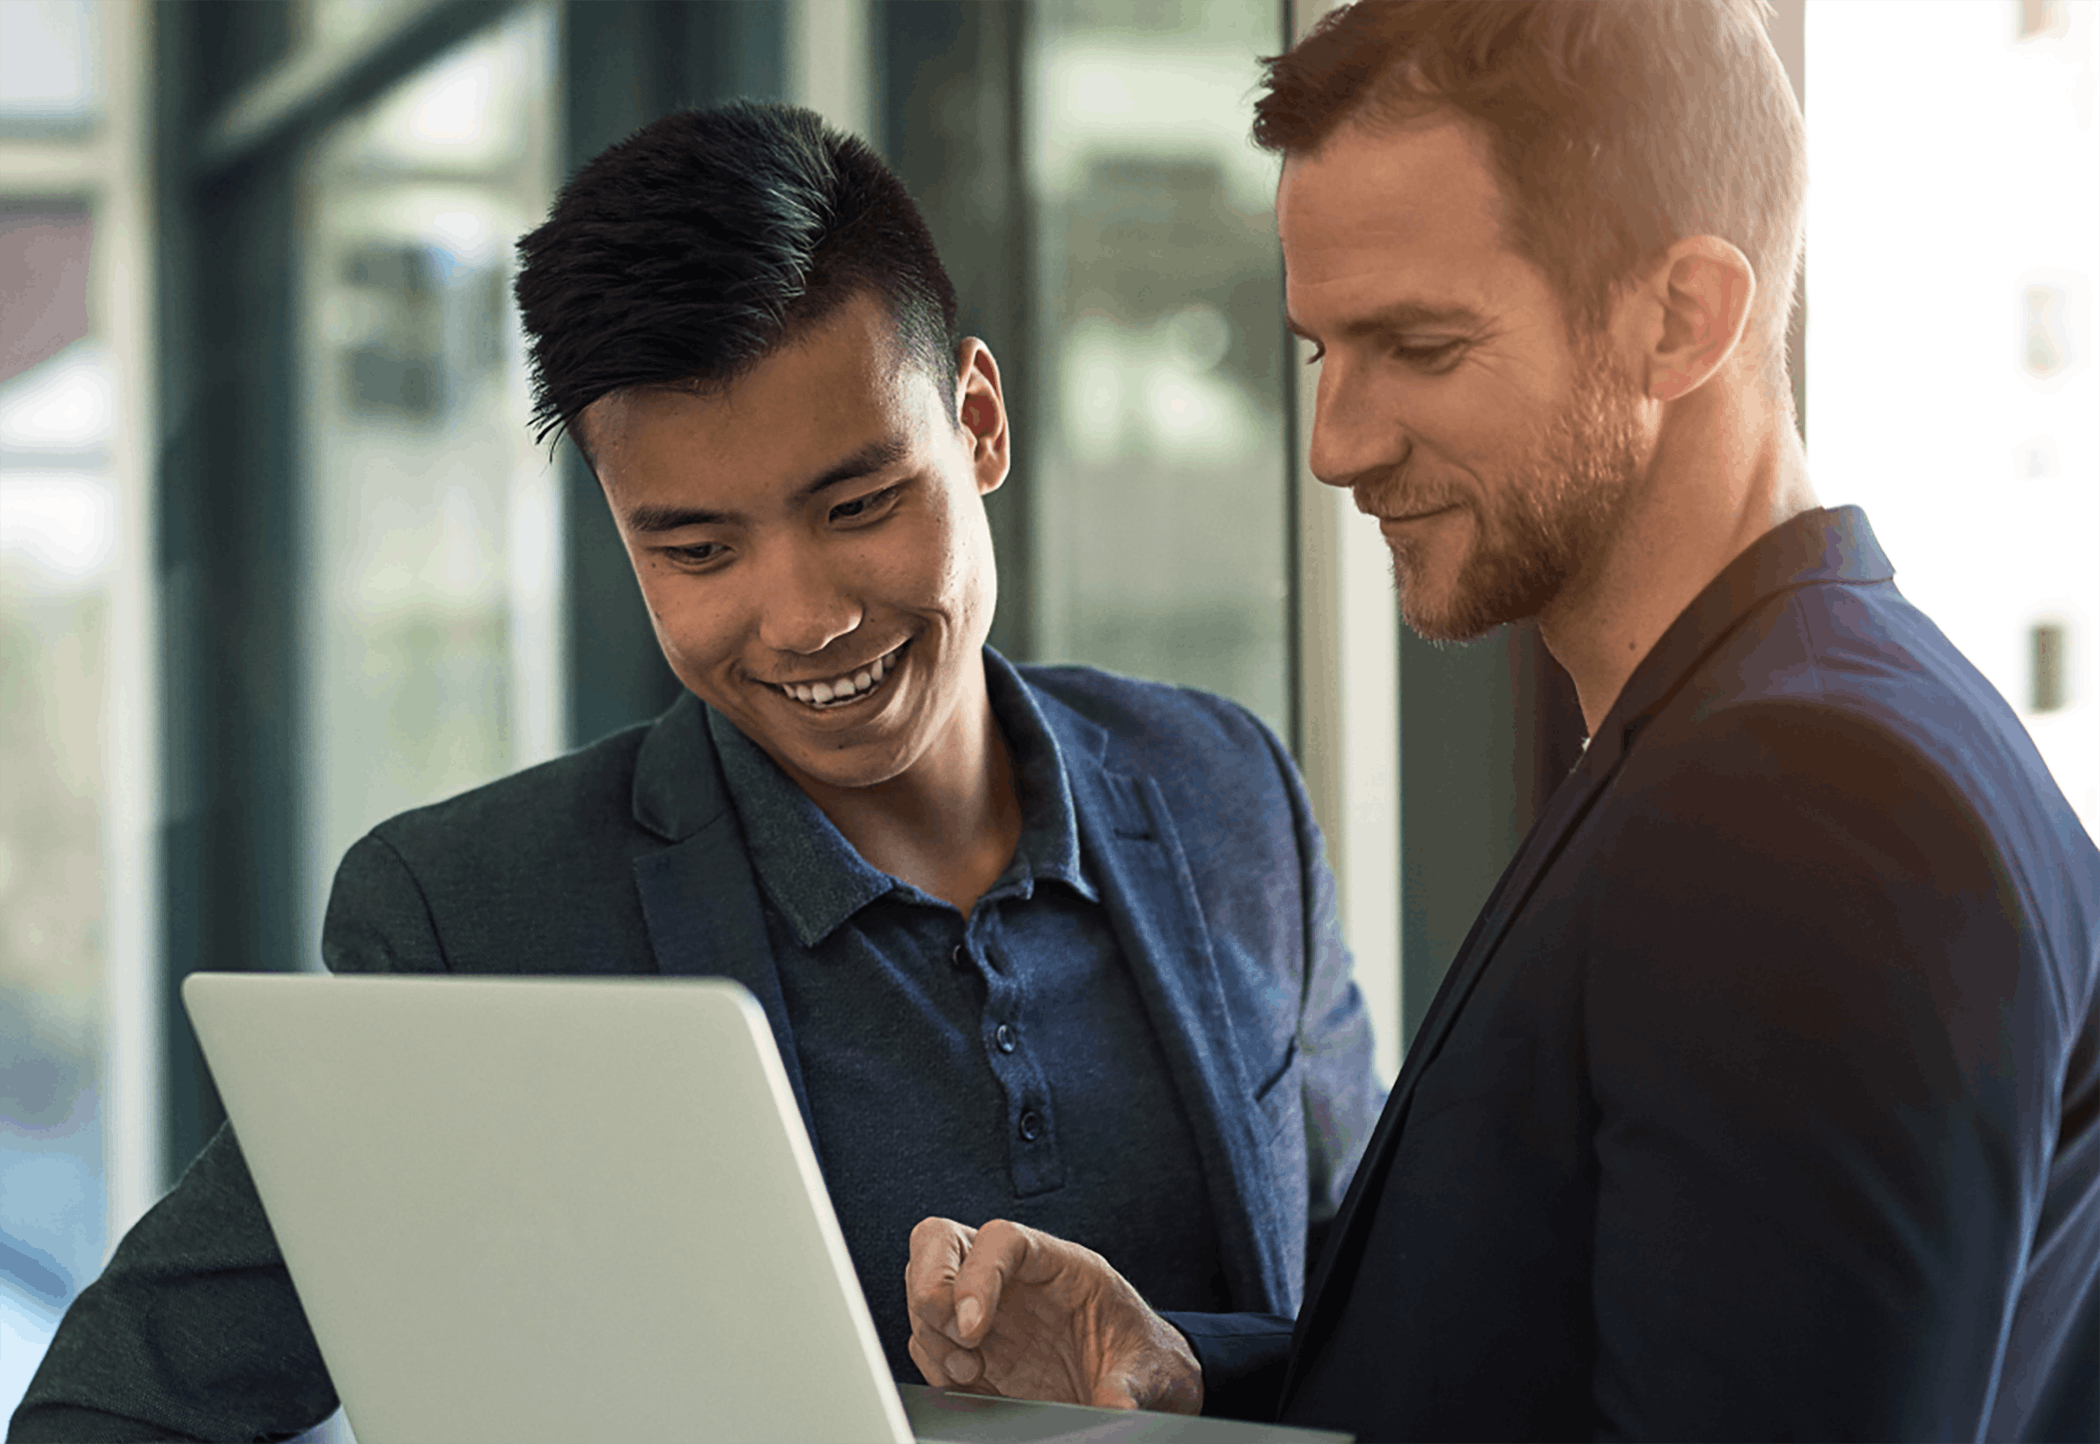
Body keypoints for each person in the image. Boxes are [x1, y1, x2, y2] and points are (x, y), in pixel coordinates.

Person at [10, 103, 1382, 1443]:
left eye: (858, 505)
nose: (801, 618)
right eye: (698, 551)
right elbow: (110, 1409)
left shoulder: (1223, 791)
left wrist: (1176, 1363)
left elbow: (1394, 1314)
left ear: (976, 422)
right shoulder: (480, 924)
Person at [903, 3, 2100, 1440]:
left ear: (1681, 319)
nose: (1337, 443)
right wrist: (1193, 1375)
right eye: (1319, 352)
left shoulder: (1800, 806)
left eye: (1417, 345)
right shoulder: (1771, 729)